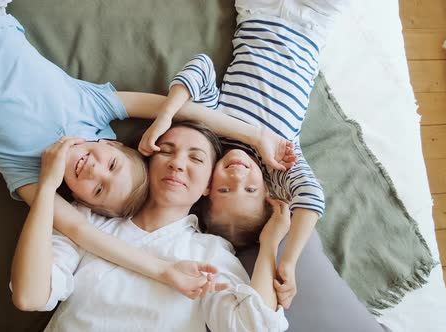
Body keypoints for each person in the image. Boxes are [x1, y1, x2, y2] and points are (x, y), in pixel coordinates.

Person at [0, 0, 297, 298]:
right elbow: (188, 112)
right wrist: (256, 136)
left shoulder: (32, 176)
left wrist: (164, 270)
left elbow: (81, 232)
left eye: (95, 189)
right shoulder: (93, 108)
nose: (93, 170)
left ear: (76, 199)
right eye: (111, 163)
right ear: (110, 140)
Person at [138, 0, 349, 309]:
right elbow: (312, 198)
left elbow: (201, 66)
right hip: (313, 25)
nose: (238, 175)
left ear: (208, 186)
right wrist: (287, 261)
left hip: (258, 13)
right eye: (249, 189)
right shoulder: (280, 160)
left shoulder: (215, 130)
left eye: (225, 188)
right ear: (267, 193)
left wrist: (166, 115)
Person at [11, 121, 290, 332]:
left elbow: (254, 326)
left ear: (208, 185)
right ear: (147, 162)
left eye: (196, 158)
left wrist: (269, 245)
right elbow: (29, 296)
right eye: (166, 151)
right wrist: (48, 188)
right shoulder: (87, 220)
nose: (177, 164)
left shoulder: (211, 253)